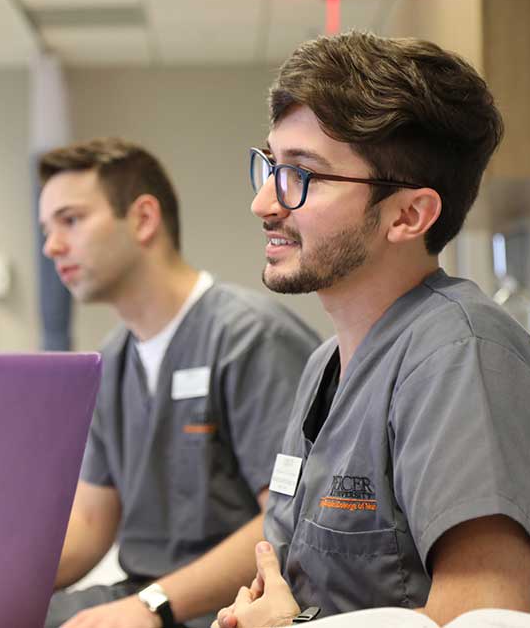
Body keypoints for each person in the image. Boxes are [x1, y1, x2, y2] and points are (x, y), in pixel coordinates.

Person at [214, 31, 530, 627]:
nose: (265, 203)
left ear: (409, 214)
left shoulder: (464, 359)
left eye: (303, 175)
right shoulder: (326, 363)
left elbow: (489, 619)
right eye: (271, 166)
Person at [37, 138, 321, 628]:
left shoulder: (249, 338)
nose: (52, 246)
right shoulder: (111, 360)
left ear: (144, 218)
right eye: (48, 228)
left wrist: (152, 605)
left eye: (71, 220)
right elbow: (89, 523)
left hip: (231, 606)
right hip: (145, 594)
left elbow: (285, 522)